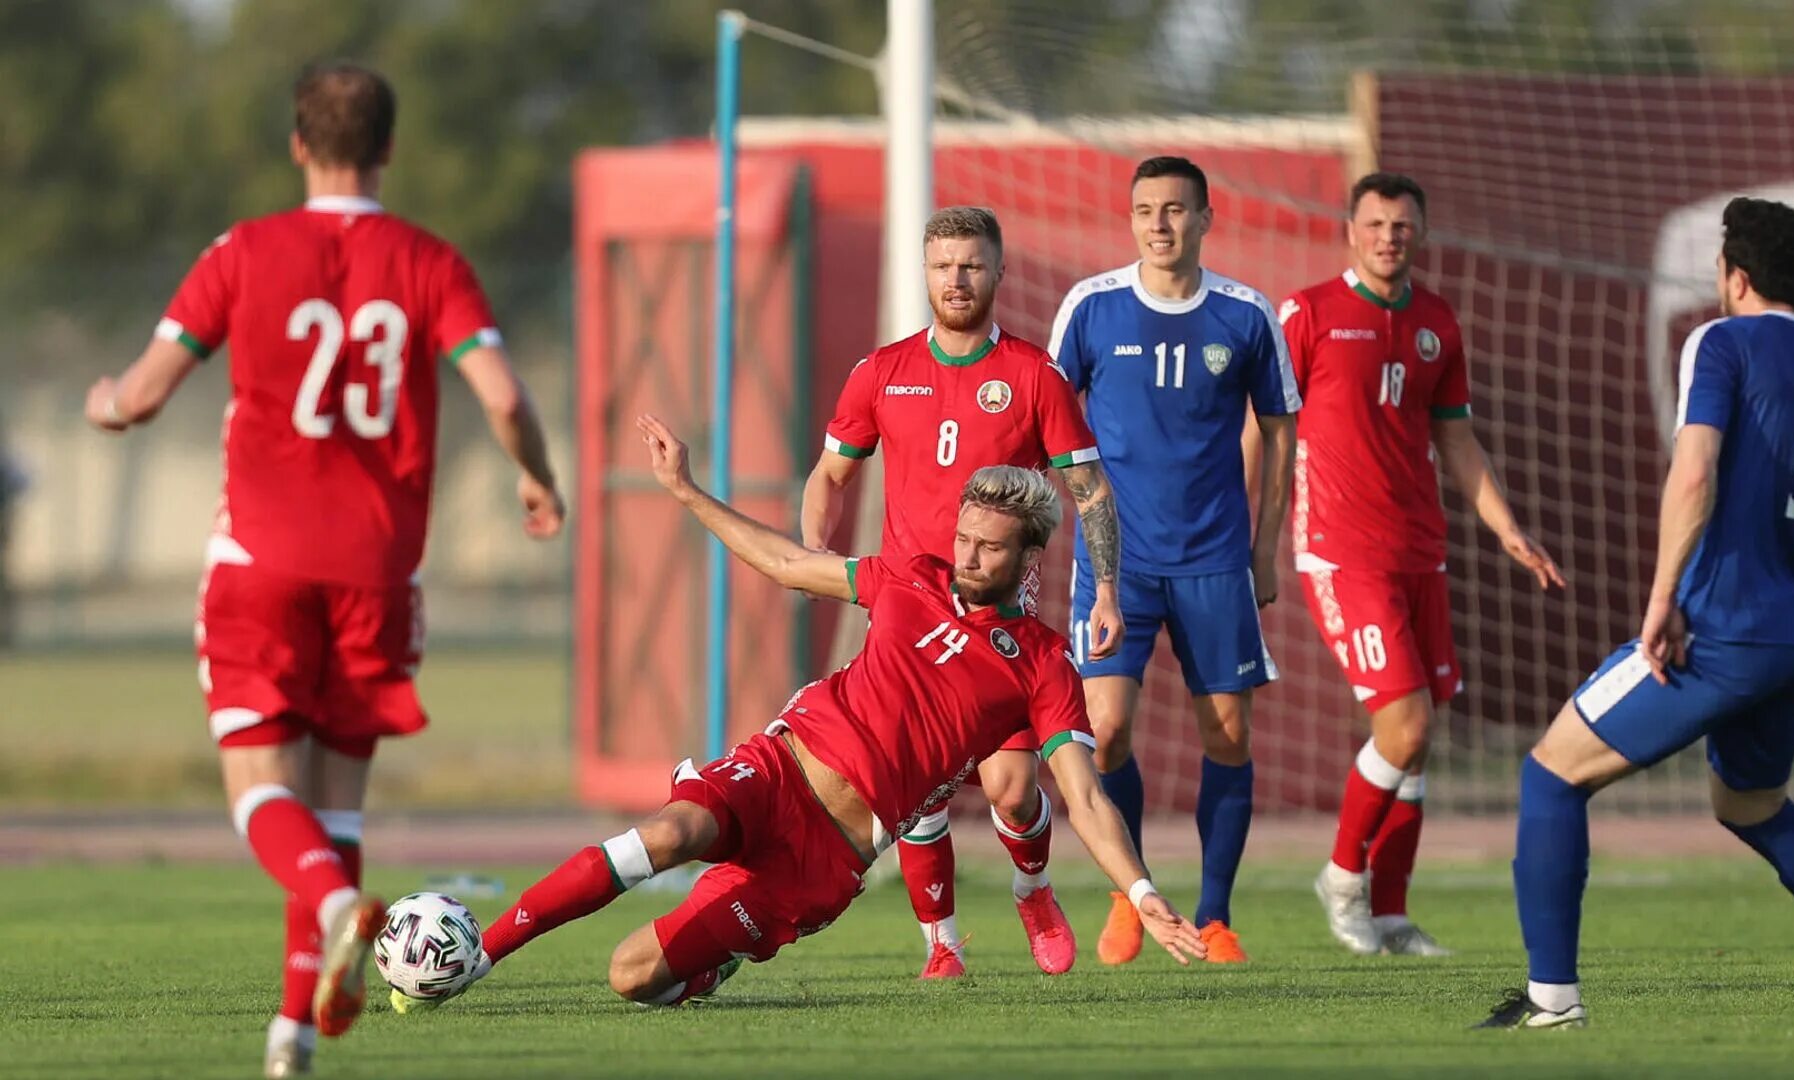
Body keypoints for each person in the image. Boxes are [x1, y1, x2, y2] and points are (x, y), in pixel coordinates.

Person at [81, 61, 565, 1076]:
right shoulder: (431, 261)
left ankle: (341, 908)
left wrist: (107, 405)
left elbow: (146, 391)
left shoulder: (243, 251)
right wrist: (537, 478)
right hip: (379, 574)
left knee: (262, 789)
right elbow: (508, 397)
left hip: (259, 559)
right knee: (338, 805)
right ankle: (293, 1034)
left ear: (298, 144)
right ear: (388, 148)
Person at [408, 416, 1203, 1011]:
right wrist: (687, 490)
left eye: (989, 547)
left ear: (1029, 557)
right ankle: (477, 959)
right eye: (963, 538)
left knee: (632, 978)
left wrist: (1139, 893)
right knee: (664, 834)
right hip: (780, 767)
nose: (967, 556)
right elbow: (788, 562)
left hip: (826, 859)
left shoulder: (1040, 661)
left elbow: (1087, 796)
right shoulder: (908, 577)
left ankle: (716, 957)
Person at [1475, 197, 1794, 1030]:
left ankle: (1551, 1003)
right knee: (1748, 805)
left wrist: (1663, 600)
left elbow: (1694, 473)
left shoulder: (1721, 340)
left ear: (1735, 277)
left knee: (1551, 773)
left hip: (1722, 628)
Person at [802, 206, 1125, 978]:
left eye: (972, 264)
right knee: (914, 796)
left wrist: (1107, 587)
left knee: (1014, 793)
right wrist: (817, 550)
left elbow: (1089, 489)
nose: (957, 278)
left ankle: (1033, 887)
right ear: (924, 271)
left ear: (998, 273)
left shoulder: (1033, 375)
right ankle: (941, 946)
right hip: (907, 620)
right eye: (944, 263)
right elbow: (830, 474)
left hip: (1001, 625)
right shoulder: (880, 372)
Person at [1282, 172, 1563, 957]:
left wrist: (1507, 528)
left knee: (1419, 734)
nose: (1387, 237)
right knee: (1402, 725)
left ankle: (1393, 914)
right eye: (1374, 224)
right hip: (1341, 552)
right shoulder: (1307, 315)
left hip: (1421, 552)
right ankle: (1343, 879)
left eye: (1402, 226)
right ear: (1350, 231)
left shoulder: (1438, 320)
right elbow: (1268, 430)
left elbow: (1456, 440)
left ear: (1421, 235)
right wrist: (1253, 533)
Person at [1045, 156, 1299, 965]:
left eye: (1176, 210)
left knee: (1226, 734)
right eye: (1146, 210)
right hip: (1116, 563)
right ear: (1130, 221)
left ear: (1205, 218)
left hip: (1216, 560)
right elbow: (1048, 416)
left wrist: (1265, 549)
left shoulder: (1245, 315)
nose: (1161, 223)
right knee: (1106, 730)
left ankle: (1216, 915)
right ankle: (1134, 894)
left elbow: (1281, 431)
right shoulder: (1091, 307)